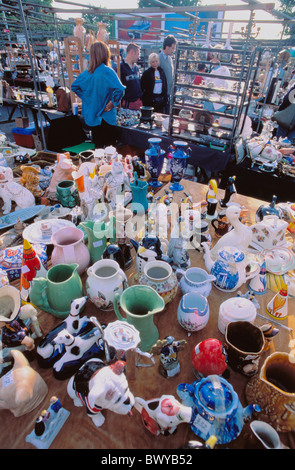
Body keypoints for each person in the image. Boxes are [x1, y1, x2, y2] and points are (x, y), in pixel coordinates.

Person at [71, 41, 125, 148]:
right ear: (105, 54)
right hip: (106, 117)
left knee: (98, 149)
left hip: (93, 116)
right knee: (110, 151)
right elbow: (120, 89)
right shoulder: (107, 71)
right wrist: (112, 103)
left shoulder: (86, 73)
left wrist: (87, 98)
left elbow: (74, 87)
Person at [120, 43, 143, 110]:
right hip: (128, 104)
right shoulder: (121, 67)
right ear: (132, 52)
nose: (139, 57)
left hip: (138, 102)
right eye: (138, 54)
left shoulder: (136, 68)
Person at [159, 35, 177, 113]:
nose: (173, 50)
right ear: (167, 47)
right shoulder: (158, 59)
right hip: (161, 96)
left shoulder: (170, 59)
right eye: (172, 48)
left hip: (169, 94)